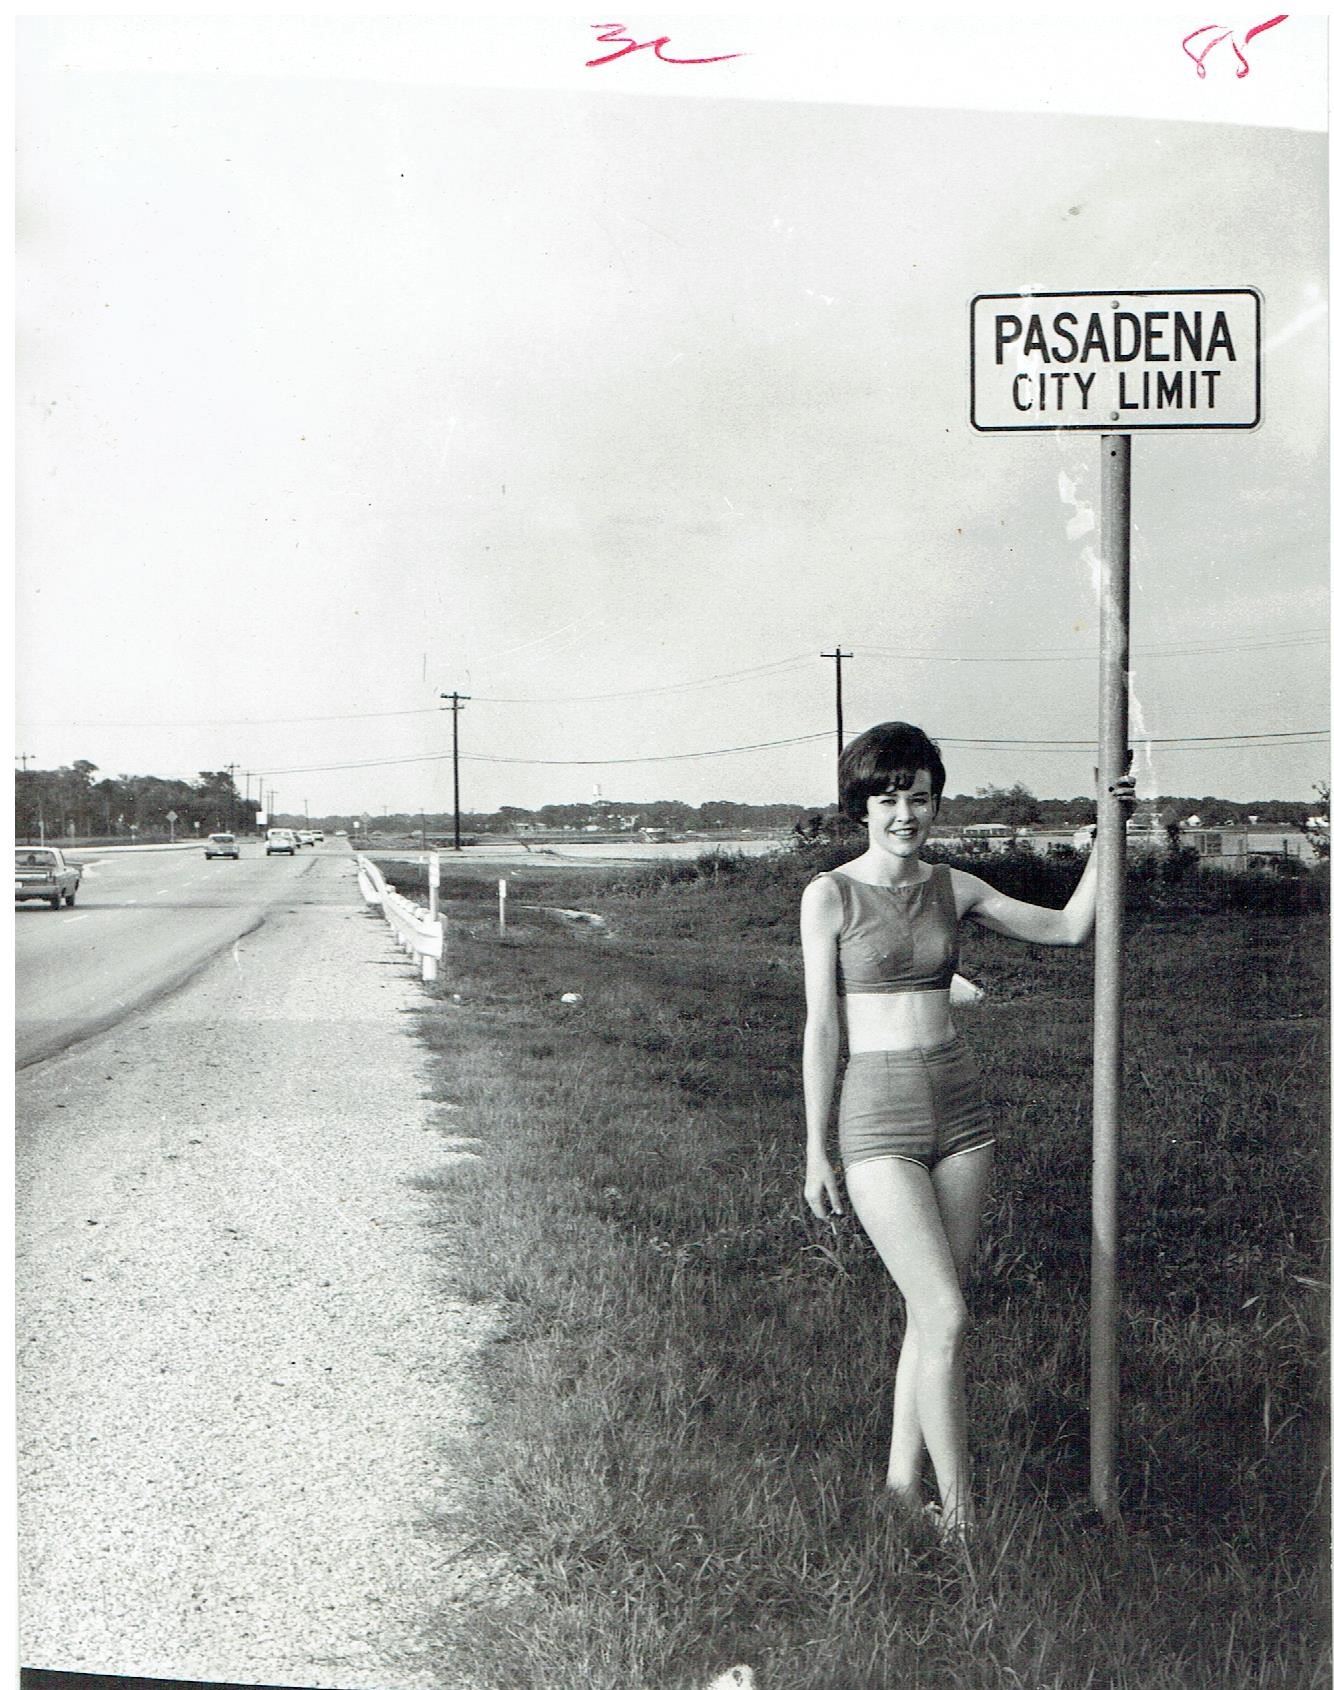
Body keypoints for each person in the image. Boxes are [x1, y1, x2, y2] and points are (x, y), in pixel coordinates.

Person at [799, 721, 1134, 1540]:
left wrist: (1108, 831)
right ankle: (965, 1520)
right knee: (946, 1314)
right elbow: (821, 1031)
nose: (905, 814)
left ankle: (900, 1483)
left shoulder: (956, 886)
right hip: (875, 1116)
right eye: (888, 799)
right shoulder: (829, 895)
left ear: (936, 803)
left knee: (931, 1311)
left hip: (961, 1112)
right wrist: (815, 1148)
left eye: (920, 797)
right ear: (862, 807)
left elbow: (1069, 928)